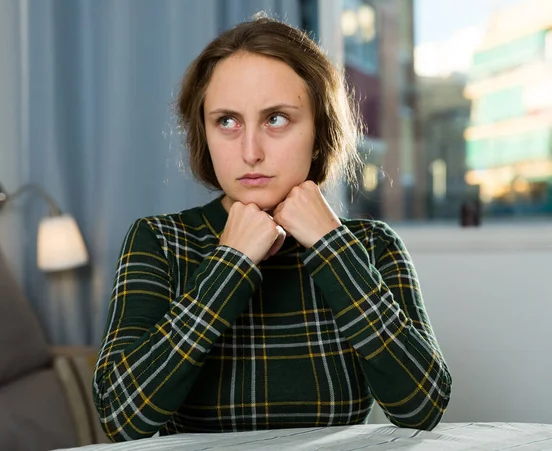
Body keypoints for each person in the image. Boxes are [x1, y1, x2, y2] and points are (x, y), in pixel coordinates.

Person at [93, 15, 452, 442]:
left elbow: (423, 405)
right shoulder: (159, 241)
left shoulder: (371, 245)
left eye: (276, 119)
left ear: (319, 131)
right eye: (227, 121)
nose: (250, 152)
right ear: (203, 134)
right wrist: (230, 265)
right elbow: (121, 416)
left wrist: (331, 245)